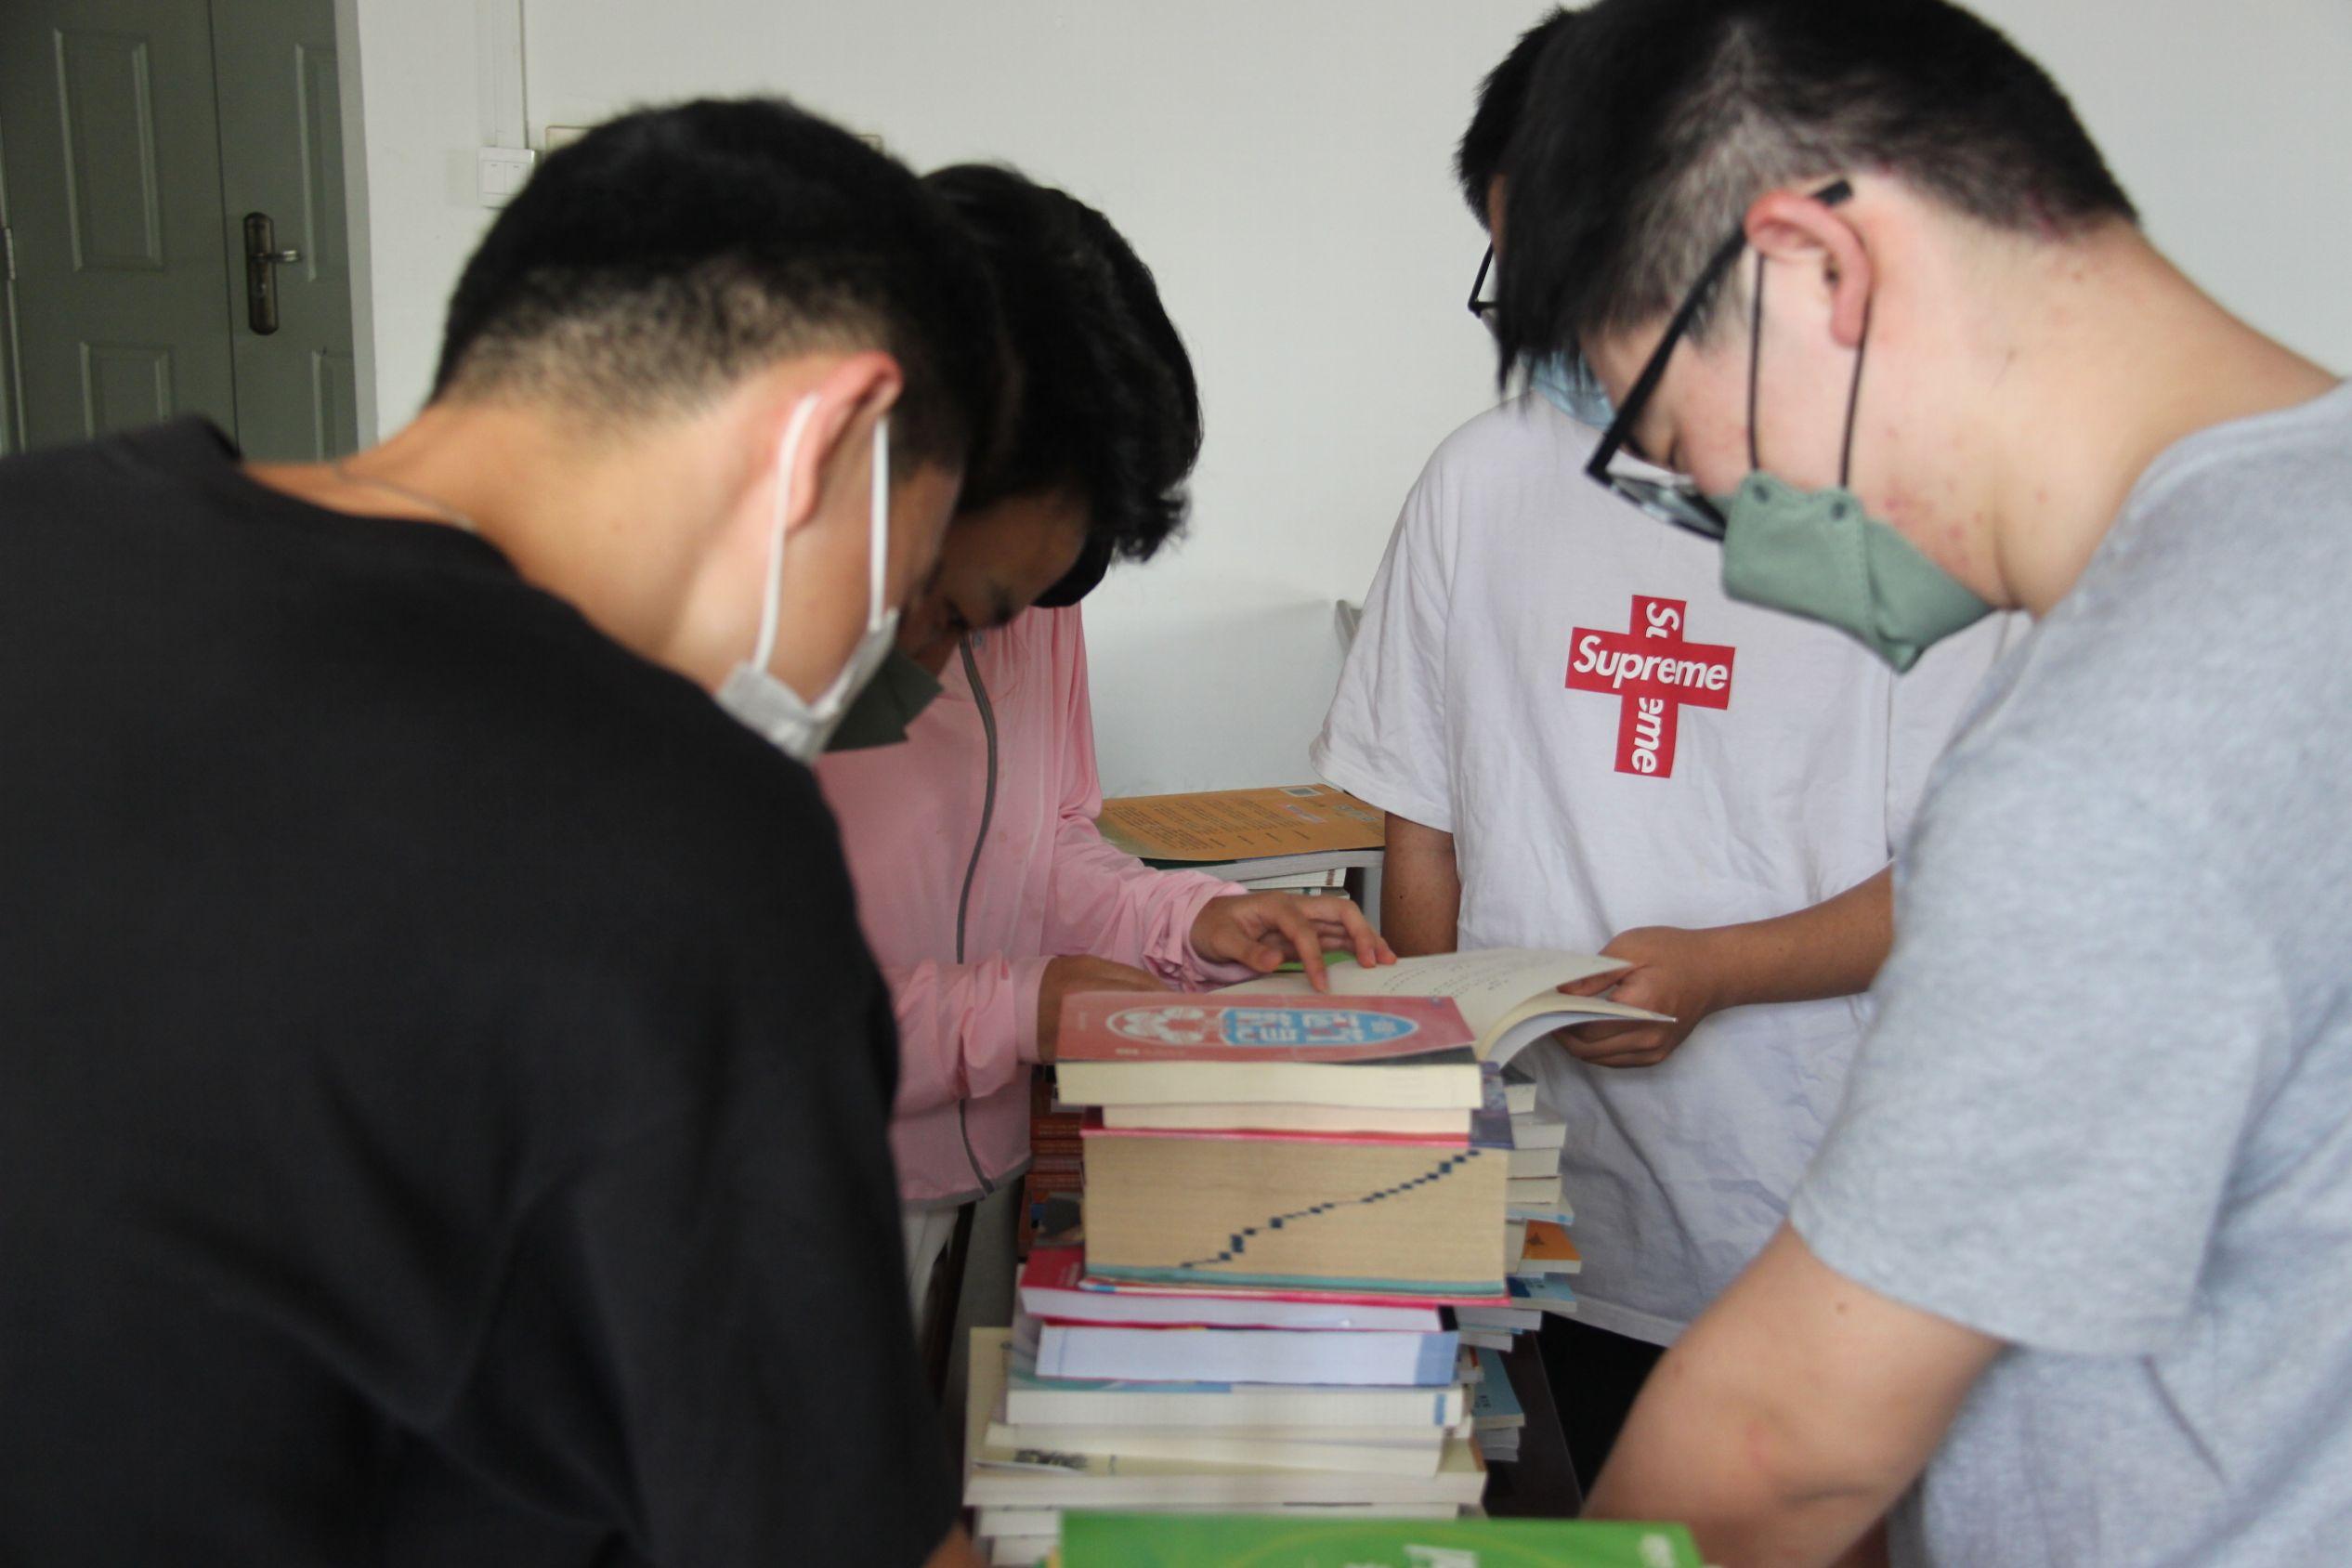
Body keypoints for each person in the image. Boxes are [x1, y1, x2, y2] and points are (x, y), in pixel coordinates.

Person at [0, 98, 1003, 1568]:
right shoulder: (671, 826)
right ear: (828, 434)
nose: (866, 666)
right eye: (898, 587)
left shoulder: (39, 530)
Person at [1492, 1, 2351, 1563]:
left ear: (1819, 269)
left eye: (1689, 455)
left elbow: (1785, 1445)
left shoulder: (2121, 742)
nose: (1739, 541)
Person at [1312, 9, 2015, 1493]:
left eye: (1577, 273)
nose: (1550, 328)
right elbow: (1421, 823)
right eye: (1515, 281)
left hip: (1805, 1222)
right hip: (1541, 1217)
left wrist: (1720, 970)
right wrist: (1443, 1118)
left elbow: (1973, 886)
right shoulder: (1481, 481)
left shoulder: (1896, 511)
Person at [817, 165, 1391, 1325]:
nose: (964, 645)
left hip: (990, 1170)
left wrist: (1190, 920)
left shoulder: (1035, 586)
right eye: (969, 605)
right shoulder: (753, 655)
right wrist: (1020, 1007)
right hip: (809, 1186)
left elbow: (1051, 842)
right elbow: (733, 1015)